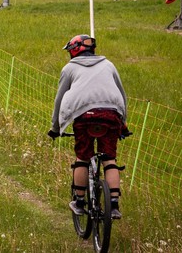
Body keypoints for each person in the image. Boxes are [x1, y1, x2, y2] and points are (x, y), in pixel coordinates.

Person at [48, 34, 130, 220]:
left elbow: (59, 100)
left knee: (83, 157)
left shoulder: (69, 68)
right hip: (111, 115)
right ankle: (114, 205)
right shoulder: (108, 65)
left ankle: (79, 201)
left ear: (73, 51)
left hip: (83, 116)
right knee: (110, 159)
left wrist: (56, 127)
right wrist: (123, 123)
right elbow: (121, 95)